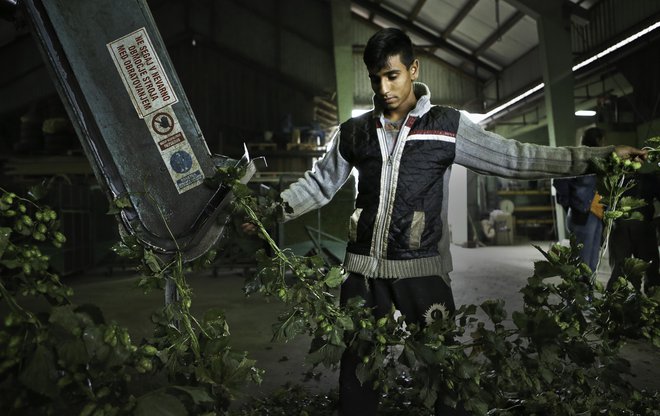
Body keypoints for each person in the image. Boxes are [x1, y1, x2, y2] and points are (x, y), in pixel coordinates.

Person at [244, 28, 645, 416]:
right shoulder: (355, 132)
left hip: (422, 268)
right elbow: (319, 184)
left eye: (392, 75)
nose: (384, 88)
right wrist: (271, 212)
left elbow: (516, 157)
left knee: (446, 364)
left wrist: (601, 157)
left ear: (414, 70)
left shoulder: (447, 126)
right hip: (362, 271)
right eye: (376, 78)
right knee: (359, 361)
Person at [553, 127, 607, 272]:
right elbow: (559, 181)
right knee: (582, 263)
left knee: (592, 262)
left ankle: (587, 293)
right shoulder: (580, 158)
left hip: (597, 215)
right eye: (603, 140)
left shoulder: (600, 161)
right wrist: (571, 204)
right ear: (598, 140)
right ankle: (580, 294)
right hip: (583, 214)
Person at [606, 172, 660, 293]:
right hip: (641, 226)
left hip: (622, 225)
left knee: (619, 271)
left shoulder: (616, 176)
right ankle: (654, 304)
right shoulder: (651, 177)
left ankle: (614, 304)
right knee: (650, 272)